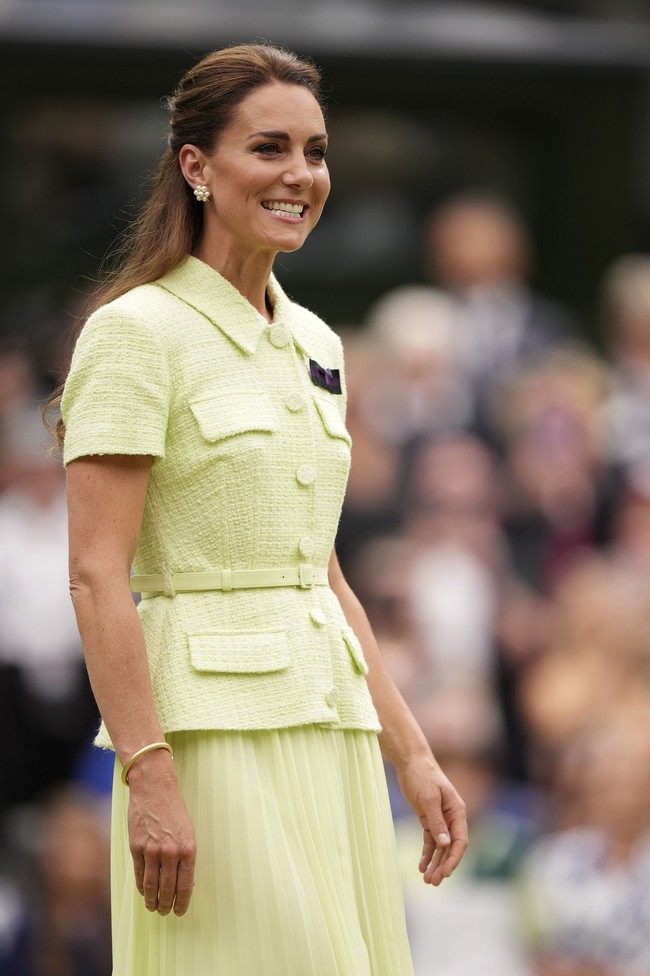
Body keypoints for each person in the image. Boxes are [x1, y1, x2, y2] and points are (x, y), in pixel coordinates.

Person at [55, 44, 467, 975]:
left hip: (333, 727)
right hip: (208, 739)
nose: (300, 175)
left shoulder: (318, 339)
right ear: (196, 166)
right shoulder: (133, 332)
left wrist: (412, 751)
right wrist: (147, 770)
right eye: (270, 147)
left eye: (315, 152)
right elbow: (93, 575)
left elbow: (318, 570)